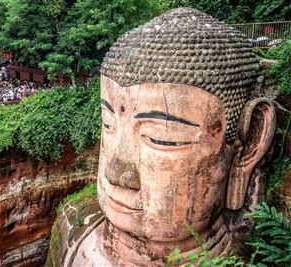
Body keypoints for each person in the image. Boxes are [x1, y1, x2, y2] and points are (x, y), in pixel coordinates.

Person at [49, 8, 277, 267]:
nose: (115, 174)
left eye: (160, 138)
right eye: (108, 125)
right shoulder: (73, 229)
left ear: (248, 146)